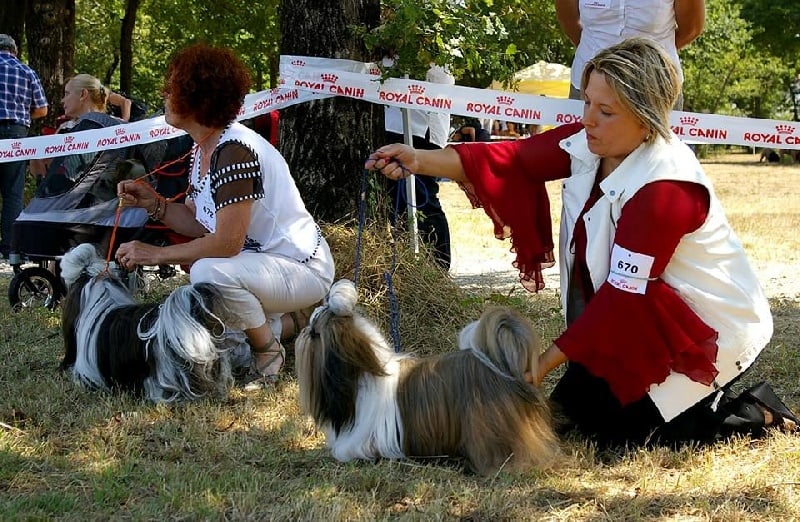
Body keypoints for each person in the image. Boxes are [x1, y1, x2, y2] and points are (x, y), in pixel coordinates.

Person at [366, 38, 796, 447]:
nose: (588, 117)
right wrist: (418, 159)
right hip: (639, 315)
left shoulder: (665, 189)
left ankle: (758, 411)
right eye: (587, 102)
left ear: (645, 117)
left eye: (605, 110)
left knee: (622, 438)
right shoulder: (593, 140)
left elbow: (620, 300)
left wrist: (543, 364)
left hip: (708, 327)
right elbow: (515, 159)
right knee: (570, 419)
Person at [116, 43, 335, 391]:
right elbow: (202, 227)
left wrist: (154, 254)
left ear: (198, 97)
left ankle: (269, 351)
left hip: (300, 268)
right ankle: (296, 322)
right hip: (263, 266)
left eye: (173, 88)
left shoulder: (233, 151)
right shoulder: (204, 149)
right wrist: (153, 204)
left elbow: (226, 244)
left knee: (206, 271)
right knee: (217, 330)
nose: (165, 95)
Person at [556, 0, 705, 108]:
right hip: (587, 88)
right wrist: (602, 62)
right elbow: (568, 19)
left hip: (654, 92)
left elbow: (691, 28)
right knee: (584, 150)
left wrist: (647, 60)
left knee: (655, 151)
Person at [383, 60, 453, 270]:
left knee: (423, 198)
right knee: (397, 198)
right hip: (396, 122)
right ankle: (409, 260)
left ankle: (438, 265)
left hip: (421, 128)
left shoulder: (429, 46)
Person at [0, 34, 48, 258]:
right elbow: (42, 110)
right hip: (15, 133)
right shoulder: (26, 71)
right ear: (14, 51)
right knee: (12, 191)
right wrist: (20, 115)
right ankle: (10, 247)